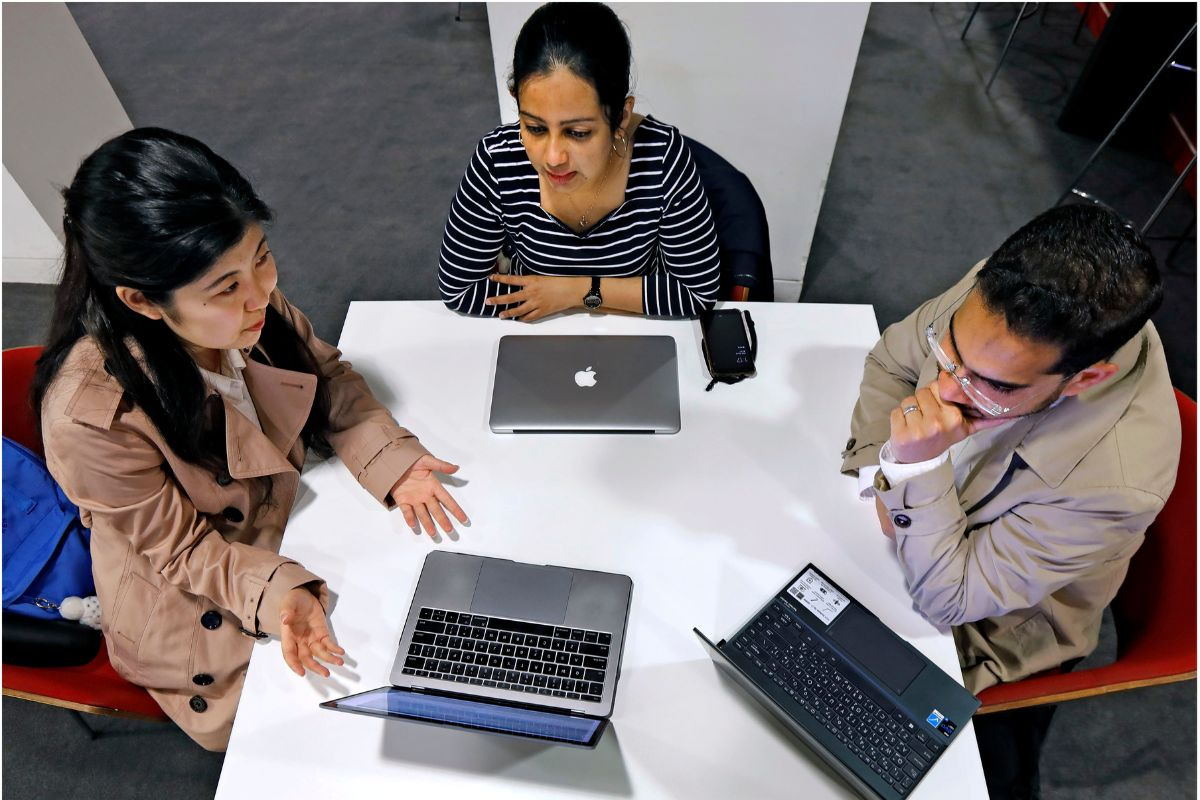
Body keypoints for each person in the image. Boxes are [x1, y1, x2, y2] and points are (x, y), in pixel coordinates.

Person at [32, 128, 470, 751]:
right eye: (225, 287)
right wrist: (280, 594)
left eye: (261, 256)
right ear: (141, 301)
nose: (260, 292)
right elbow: (183, 553)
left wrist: (389, 461)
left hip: (286, 520)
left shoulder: (246, 300)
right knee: (364, 730)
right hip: (196, 599)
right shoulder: (90, 416)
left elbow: (327, 378)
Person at [840, 204, 1180, 798]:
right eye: (951, 354)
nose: (945, 389)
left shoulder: (1116, 485)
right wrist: (877, 474)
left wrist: (915, 467)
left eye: (994, 385)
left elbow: (949, 598)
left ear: (1085, 379)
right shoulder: (1001, 300)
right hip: (908, 543)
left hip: (989, 626)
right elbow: (893, 361)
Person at [437, 1, 721, 321]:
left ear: (621, 117)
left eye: (579, 132)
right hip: (539, 330)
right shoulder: (497, 161)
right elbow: (457, 289)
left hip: (631, 333)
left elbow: (697, 292)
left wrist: (572, 293)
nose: (553, 157)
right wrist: (560, 299)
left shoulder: (662, 159)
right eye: (535, 128)